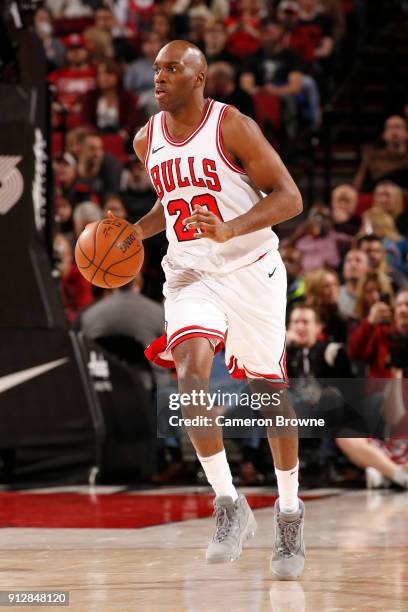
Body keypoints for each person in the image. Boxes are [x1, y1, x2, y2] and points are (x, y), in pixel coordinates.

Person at [123, 39, 305, 579]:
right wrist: (134, 233)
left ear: (199, 77)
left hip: (251, 269)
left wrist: (229, 227)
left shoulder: (233, 126)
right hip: (190, 272)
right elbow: (168, 201)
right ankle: (228, 502)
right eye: (156, 69)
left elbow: (289, 197)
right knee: (190, 371)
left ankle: (290, 510)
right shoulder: (145, 139)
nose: (160, 77)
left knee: (269, 394)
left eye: (173, 68)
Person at [81, 59, 140, 137]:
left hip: (121, 136)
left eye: (107, 74)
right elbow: (86, 120)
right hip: (96, 135)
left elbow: (132, 121)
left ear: (117, 76)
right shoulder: (91, 95)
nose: (102, 77)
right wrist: (94, 133)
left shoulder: (127, 97)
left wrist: (125, 131)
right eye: (100, 74)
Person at [353, 115, 408, 191]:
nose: (394, 132)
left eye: (398, 127)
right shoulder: (372, 156)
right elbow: (357, 185)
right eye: (390, 128)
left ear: (406, 133)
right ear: (384, 135)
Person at [75, 133, 122, 202]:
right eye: (92, 149)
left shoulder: (110, 168)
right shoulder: (72, 166)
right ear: (81, 151)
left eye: (100, 149)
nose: (97, 154)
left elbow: (112, 196)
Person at [304, 267, 348, 342]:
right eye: (326, 286)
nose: (333, 290)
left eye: (335, 284)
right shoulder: (301, 314)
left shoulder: (339, 318)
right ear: (314, 289)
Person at [337, 249, 369, 320]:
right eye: (348, 261)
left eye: (358, 260)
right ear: (343, 268)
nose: (353, 264)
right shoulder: (335, 296)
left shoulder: (373, 296)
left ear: (368, 268)